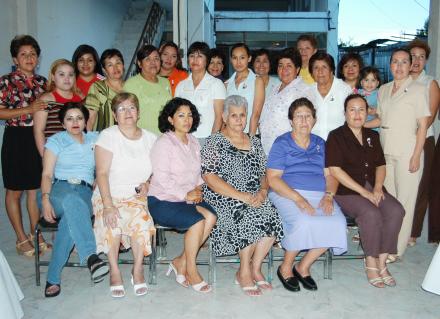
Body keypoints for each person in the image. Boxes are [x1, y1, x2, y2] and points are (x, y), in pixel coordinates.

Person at [201, 95, 283, 296]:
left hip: (254, 193)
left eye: (242, 115)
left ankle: (255, 268)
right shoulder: (214, 141)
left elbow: (265, 172)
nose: (239, 120)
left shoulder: (254, 141)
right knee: (247, 215)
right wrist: (241, 196)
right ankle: (244, 272)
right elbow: (209, 177)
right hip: (222, 195)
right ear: (224, 117)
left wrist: (263, 191)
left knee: (273, 216)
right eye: (234, 115)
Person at [267, 97, 347, 292]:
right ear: (291, 121)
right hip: (286, 193)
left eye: (308, 116)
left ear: (314, 120)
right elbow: (273, 179)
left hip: (319, 194)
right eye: (298, 116)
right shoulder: (282, 143)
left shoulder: (321, 143)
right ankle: (286, 266)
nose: (303, 120)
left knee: (337, 223)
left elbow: (330, 175)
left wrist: (328, 195)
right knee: (303, 221)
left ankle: (303, 266)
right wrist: (298, 199)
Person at [326, 94, 404, 287]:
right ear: (345, 113)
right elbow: (335, 170)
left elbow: (381, 165)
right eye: (352, 109)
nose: (357, 114)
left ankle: (382, 262)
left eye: (362, 109)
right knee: (371, 213)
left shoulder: (373, 136)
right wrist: (365, 193)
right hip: (347, 192)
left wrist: (377, 188)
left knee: (396, 210)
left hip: (372, 187)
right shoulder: (336, 136)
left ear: (367, 112)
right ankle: (370, 261)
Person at [39, 102, 109, 297]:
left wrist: (99, 177)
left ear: (86, 121)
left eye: (79, 118)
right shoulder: (56, 141)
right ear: (62, 123)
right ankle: (90, 256)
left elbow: (112, 160)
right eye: (69, 119)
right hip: (58, 191)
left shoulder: (96, 138)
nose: (75, 122)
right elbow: (46, 175)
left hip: (86, 192)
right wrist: (45, 199)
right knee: (70, 201)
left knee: (71, 220)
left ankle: (53, 277)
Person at [148, 97, 217, 293]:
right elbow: (162, 179)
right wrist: (187, 194)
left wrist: (198, 188)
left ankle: (180, 261)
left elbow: (198, 173)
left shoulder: (193, 141)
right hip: (163, 199)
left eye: (189, 115)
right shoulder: (164, 143)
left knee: (211, 217)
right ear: (170, 119)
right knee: (197, 221)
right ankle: (191, 270)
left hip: (187, 197)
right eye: (181, 115)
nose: (187, 120)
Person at [366, 48, 430, 260]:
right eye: (395, 62)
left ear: (410, 65)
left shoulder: (419, 89)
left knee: (405, 202)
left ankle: (396, 249)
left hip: (407, 151)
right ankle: (387, 244)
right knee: (391, 202)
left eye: (404, 62)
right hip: (386, 152)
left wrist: (416, 155)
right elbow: (381, 120)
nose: (399, 66)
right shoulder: (383, 89)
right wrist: (357, 126)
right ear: (390, 65)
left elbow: (423, 126)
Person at [93, 92, 156, 298]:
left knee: (142, 222)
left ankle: (137, 270)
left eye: (131, 108)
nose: (127, 112)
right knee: (112, 223)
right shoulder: (108, 136)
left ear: (138, 113)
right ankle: (115, 271)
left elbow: (157, 171)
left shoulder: (150, 138)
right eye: (121, 109)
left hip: (136, 196)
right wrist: (108, 205)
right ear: (114, 114)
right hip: (108, 194)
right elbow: (101, 173)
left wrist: (148, 183)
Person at [0, 35, 49, 257]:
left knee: (34, 190)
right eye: (23, 54)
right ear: (15, 59)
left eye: (32, 54)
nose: (29, 58)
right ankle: (21, 239)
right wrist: (28, 110)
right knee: (14, 191)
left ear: (38, 58)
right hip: (16, 138)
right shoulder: (6, 81)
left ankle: (35, 233)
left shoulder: (42, 82)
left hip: (37, 138)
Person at [407, 39, 440, 246]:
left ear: (426, 60)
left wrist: (414, 141)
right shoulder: (400, 81)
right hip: (400, 140)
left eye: (421, 57)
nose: (416, 60)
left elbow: (429, 117)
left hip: (423, 140)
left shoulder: (430, 83)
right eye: (413, 56)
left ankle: (413, 232)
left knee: (421, 187)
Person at [259, 48, 314, 154]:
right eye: (280, 65)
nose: (284, 70)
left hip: (289, 151)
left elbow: (308, 122)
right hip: (269, 149)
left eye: (289, 66)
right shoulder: (275, 87)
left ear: (297, 69)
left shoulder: (304, 90)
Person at [175, 42, 226, 141]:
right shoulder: (181, 85)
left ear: (207, 60)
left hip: (206, 138)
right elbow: (176, 114)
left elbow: (219, 117)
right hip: (184, 138)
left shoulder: (216, 84)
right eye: (192, 56)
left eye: (199, 56)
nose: (195, 60)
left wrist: (212, 143)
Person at [34, 59, 83, 156]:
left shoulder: (80, 99)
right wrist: (45, 156)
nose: (67, 78)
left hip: (76, 154)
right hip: (54, 154)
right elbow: (39, 131)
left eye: (70, 74)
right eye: (61, 74)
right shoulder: (46, 99)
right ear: (53, 77)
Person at [123, 44, 172, 134]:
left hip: (165, 137)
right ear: (139, 63)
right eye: (148, 59)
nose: (153, 62)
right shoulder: (131, 84)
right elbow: (126, 115)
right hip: (142, 137)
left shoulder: (165, 82)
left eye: (156, 58)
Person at [309, 51, 352, 140]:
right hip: (313, 147)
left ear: (331, 70)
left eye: (324, 67)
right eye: (316, 68)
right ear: (311, 73)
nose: (320, 71)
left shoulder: (344, 89)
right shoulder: (307, 92)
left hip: (339, 145)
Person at [225, 43, 265, 135]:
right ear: (231, 60)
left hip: (249, 133)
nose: (238, 62)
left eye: (242, 58)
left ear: (249, 58)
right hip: (230, 136)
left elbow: (256, 114)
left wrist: (250, 139)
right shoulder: (227, 84)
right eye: (235, 58)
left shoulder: (257, 81)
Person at [86, 49, 125, 131]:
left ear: (123, 65)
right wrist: (88, 140)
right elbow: (90, 117)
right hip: (103, 138)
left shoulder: (131, 87)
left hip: (127, 138)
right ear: (104, 70)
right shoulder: (97, 88)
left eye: (118, 63)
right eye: (110, 65)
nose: (115, 68)